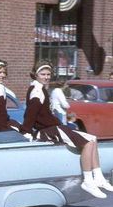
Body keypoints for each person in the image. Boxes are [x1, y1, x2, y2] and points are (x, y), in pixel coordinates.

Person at [20, 60, 113, 198]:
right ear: (35, 75)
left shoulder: (40, 89)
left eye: (48, 74)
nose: (46, 77)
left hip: (53, 126)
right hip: (49, 130)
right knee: (87, 142)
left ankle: (98, 177)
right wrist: (26, 132)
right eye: (43, 74)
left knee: (92, 139)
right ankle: (88, 180)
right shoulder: (37, 91)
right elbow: (30, 115)